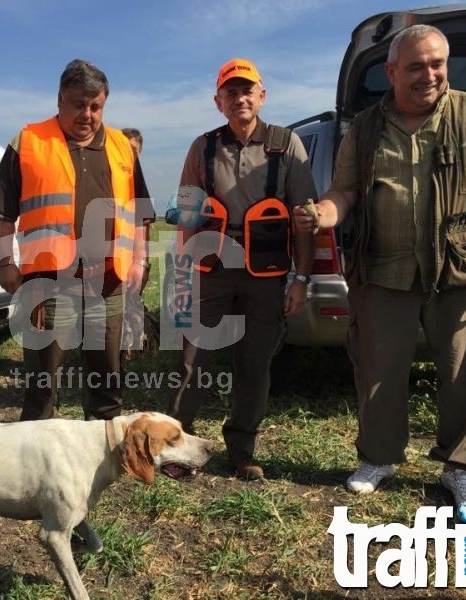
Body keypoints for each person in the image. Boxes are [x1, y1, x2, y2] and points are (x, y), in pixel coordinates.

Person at [293, 25, 466, 513]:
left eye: (437, 64)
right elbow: (344, 191)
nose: (429, 75)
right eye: (416, 66)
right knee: (377, 372)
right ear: (392, 71)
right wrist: (324, 213)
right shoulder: (366, 127)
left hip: (460, 270)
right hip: (383, 271)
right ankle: (379, 458)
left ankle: (461, 470)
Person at [165, 58, 316, 480]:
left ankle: (242, 449)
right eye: (231, 92)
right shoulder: (202, 147)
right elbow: (186, 214)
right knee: (192, 361)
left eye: (248, 90)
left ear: (262, 95)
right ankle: (178, 447)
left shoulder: (287, 145)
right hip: (211, 268)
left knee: (254, 364)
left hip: (266, 273)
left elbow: (305, 220)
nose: (240, 98)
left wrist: (300, 279)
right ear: (219, 101)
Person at [0, 59, 154, 421]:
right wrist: (5, 263)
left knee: (107, 378)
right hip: (48, 284)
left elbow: (141, 213)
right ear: (60, 99)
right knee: (42, 380)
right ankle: (34, 459)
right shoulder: (28, 142)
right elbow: (1, 211)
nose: (87, 114)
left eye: (96, 106)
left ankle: (103, 455)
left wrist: (140, 260)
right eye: (79, 104)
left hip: (107, 280)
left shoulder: (122, 148)